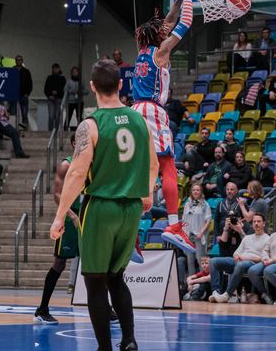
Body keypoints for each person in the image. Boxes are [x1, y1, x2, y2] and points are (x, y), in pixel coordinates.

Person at [49, 59, 158, 351]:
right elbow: (154, 164)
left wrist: (60, 216)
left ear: (93, 87)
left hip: (101, 206)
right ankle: (130, 340)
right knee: (116, 277)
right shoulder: (139, 120)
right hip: (132, 209)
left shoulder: (91, 124)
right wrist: (147, 194)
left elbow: (76, 173)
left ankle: (104, 348)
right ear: (121, 85)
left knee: (94, 281)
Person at [131, 0, 197, 253]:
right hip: (152, 111)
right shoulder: (162, 52)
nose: (165, 29)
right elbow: (184, 24)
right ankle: (172, 224)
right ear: (159, 36)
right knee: (168, 166)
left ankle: (131, 235)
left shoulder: (142, 51)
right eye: (163, 31)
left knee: (138, 176)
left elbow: (169, 21)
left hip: (134, 111)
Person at [34, 133, 81, 324]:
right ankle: (42, 309)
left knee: (95, 263)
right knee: (59, 264)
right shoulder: (66, 164)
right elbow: (56, 195)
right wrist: (71, 215)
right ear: (72, 144)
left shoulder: (91, 163)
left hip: (88, 214)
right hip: (70, 217)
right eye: (79, 141)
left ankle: (107, 310)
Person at [209, 214, 270, 303]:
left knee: (240, 264)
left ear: (264, 223)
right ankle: (216, 292)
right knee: (213, 261)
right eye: (254, 222)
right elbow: (236, 253)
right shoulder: (247, 238)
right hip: (239, 260)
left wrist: (245, 257)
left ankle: (227, 294)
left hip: (253, 263)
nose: (256, 224)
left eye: (259, 221)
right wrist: (237, 256)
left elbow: (263, 258)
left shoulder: (268, 239)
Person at [181, 183, 211, 276]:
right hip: (188, 235)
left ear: (201, 192)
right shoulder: (187, 204)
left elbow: (208, 220)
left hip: (199, 235)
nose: (195, 191)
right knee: (189, 259)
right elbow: (184, 219)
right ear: (191, 192)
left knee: (200, 258)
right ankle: (192, 281)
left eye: (197, 190)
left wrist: (201, 233)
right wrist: (183, 234)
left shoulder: (205, 204)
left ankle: (203, 282)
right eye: (194, 190)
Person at [44, 63, 66, 132]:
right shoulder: (49, 78)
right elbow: (46, 89)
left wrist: (57, 93)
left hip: (59, 99)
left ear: (59, 69)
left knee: (57, 116)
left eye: (57, 68)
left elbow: (64, 89)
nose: (55, 70)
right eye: (54, 69)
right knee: (51, 116)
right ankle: (50, 131)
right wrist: (49, 95)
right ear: (52, 69)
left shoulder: (62, 78)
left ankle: (55, 131)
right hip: (50, 99)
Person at [15, 55, 33, 129]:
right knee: (13, 112)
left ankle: (25, 127)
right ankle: (14, 126)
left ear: (22, 61)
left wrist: (27, 94)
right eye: (17, 60)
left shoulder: (26, 71)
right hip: (13, 94)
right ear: (15, 61)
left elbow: (30, 83)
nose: (19, 61)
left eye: (20, 60)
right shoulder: (12, 70)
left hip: (24, 94)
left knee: (24, 112)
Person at [64, 66, 84, 131]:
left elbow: (86, 91)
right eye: (73, 72)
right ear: (71, 73)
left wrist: (80, 91)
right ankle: (65, 130)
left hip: (79, 101)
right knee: (68, 116)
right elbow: (65, 90)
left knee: (79, 116)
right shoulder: (69, 81)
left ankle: (80, 130)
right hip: (71, 101)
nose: (75, 73)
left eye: (76, 72)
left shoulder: (81, 81)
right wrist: (72, 91)